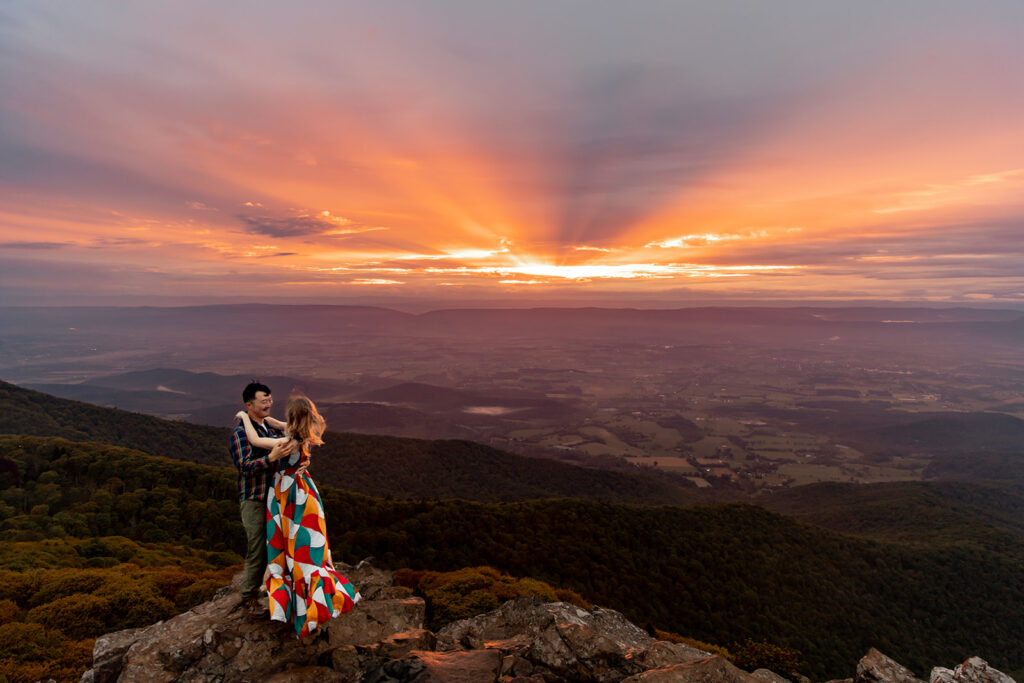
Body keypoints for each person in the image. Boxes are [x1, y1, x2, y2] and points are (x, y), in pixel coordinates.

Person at [235, 395, 360, 637]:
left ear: (293, 417)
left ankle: (296, 598)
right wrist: (264, 417)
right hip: (304, 492)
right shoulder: (307, 432)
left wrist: (242, 417)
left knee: (286, 540)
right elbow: (275, 423)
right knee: (300, 541)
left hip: (287, 494)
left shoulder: (289, 441)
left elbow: (254, 439)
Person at [229, 381, 298, 617]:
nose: (269, 403)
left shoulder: (272, 429)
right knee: (258, 548)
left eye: (270, 399)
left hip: (278, 498)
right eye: (263, 400)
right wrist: (271, 458)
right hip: (254, 498)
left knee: (281, 547)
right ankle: (248, 598)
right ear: (249, 404)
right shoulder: (240, 434)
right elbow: (244, 466)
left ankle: (278, 593)